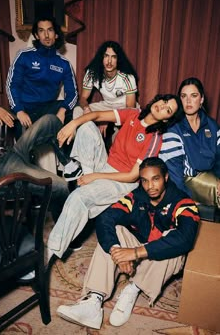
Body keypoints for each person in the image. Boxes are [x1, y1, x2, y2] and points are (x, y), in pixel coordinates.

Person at [56, 157, 200, 329]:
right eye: (145, 181)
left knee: (174, 240)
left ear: (166, 178)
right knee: (114, 231)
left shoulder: (183, 202)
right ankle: (93, 301)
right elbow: (106, 218)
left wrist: (136, 252)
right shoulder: (137, 196)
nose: (150, 186)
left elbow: (186, 238)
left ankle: (134, 288)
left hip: (159, 258)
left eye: (156, 179)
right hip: (136, 247)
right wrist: (117, 252)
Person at [46, 93, 184, 261]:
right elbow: (97, 115)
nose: (162, 107)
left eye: (168, 110)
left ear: (166, 120)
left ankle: (49, 254)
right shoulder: (134, 114)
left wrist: (96, 176)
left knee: (78, 198)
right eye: (164, 101)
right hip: (105, 165)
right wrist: (72, 124)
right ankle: (84, 177)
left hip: (122, 182)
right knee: (87, 126)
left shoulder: (154, 139)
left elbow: (133, 176)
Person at [6, 16, 81, 179]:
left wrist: (62, 110)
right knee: (23, 151)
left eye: (50, 30)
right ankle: (23, 178)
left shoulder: (64, 63)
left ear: (56, 35)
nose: (46, 35)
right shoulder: (24, 55)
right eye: (41, 31)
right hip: (25, 110)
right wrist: (18, 110)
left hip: (47, 108)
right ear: (37, 35)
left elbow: (73, 93)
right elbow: (12, 85)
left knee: (72, 108)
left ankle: (67, 162)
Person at [0, 98, 69, 221]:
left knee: (50, 120)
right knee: (61, 187)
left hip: (9, 152)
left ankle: (69, 164)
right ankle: (62, 232)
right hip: (0, 169)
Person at [159, 77, 220, 207]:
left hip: (209, 173)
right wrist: (187, 202)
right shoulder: (173, 128)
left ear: (201, 99)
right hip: (187, 178)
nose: (188, 101)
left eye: (194, 96)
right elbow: (175, 175)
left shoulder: (212, 125)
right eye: (183, 96)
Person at [74, 41, 139, 138]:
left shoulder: (127, 77)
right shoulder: (92, 73)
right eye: (106, 56)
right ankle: (87, 139)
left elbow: (129, 108)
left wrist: (105, 118)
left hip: (124, 107)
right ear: (101, 57)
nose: (109, 61)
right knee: (78, 110)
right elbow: (83, 98)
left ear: (118, 60)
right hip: (107, 105)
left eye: (114, 57)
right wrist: (86, 108)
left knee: (123, 131)